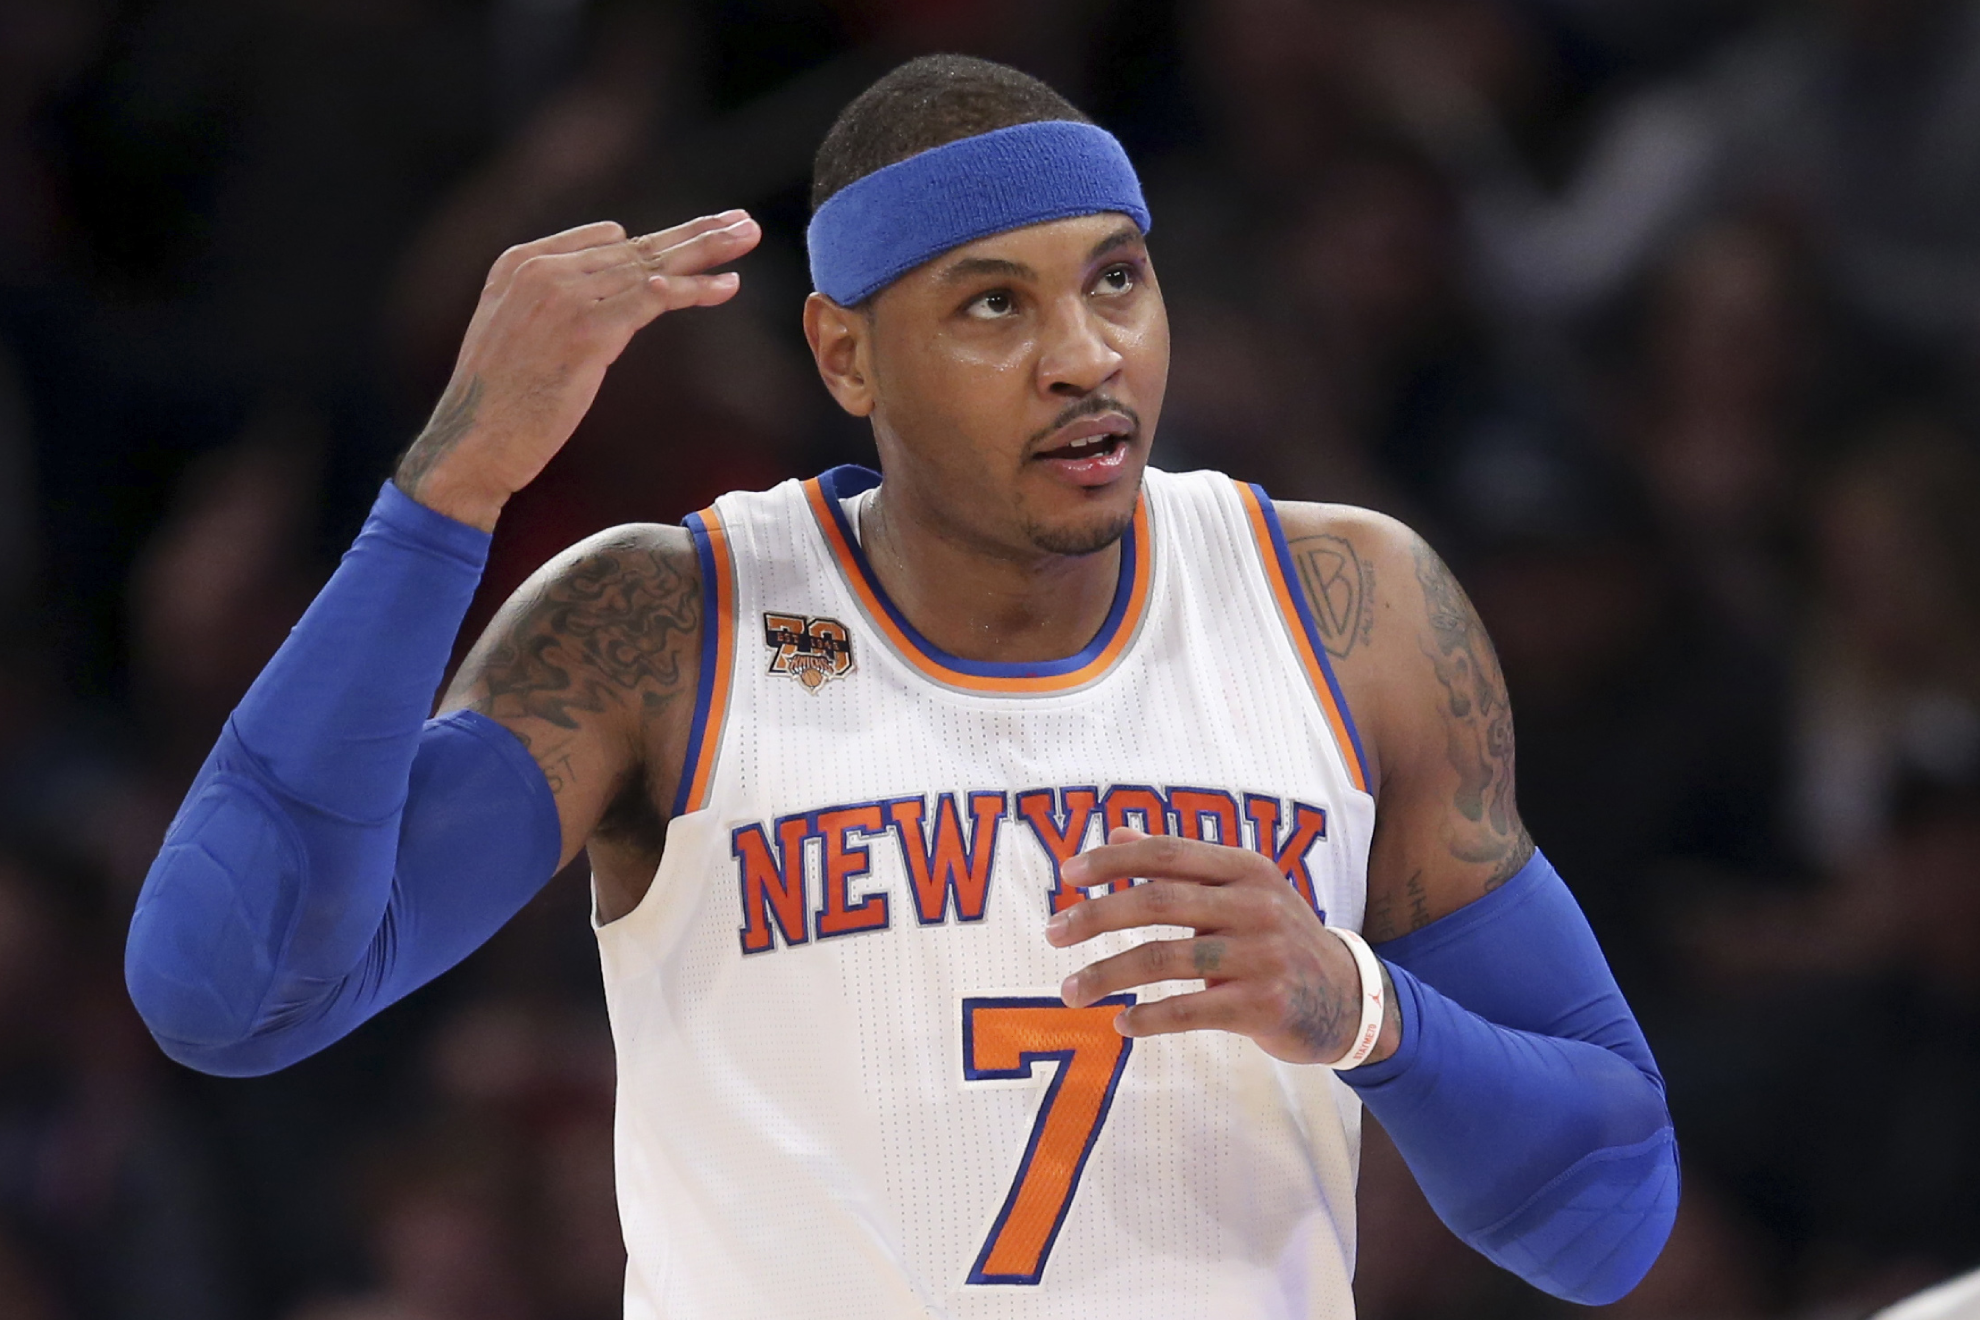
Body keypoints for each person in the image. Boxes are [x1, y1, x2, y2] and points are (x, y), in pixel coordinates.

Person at [125, 55, 1676, 1318]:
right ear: (846, 356)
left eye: (1116, 283)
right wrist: (451, 489)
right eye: (994, 305)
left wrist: (1362, 1007)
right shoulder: (669, 630)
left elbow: (1608, 1216)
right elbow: (233, 988)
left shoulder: (1349, 610)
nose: (1085, 356)